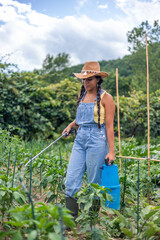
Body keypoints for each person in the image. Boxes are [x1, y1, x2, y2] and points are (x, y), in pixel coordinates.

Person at [62, 61, 115, 219]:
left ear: (98, 79)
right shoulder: (82, 95)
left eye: (89, 79)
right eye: (83, 80)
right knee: (71, 179)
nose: (85, 82)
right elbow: (80, 120)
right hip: (80, 139)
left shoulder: (107, 98)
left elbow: (110, 127)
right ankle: (71, 220)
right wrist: (70, 126)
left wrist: (112, 151)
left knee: (94, 181)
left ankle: (92, 220)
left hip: (97, 140)